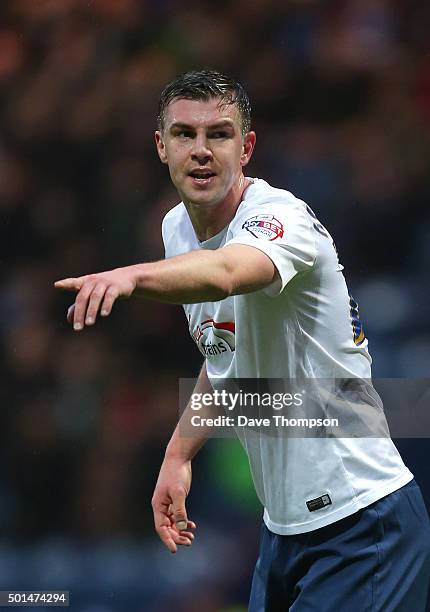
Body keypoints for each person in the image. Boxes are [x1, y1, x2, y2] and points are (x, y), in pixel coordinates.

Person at [55, 69, 430, 611]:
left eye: (220, 134)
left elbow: (230, 271)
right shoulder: (176, 230)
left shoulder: (282, 219)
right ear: (161, 146)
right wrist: (178, 454)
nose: (201, 151)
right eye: (185, 134)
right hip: (283, 532)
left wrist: (131, 277)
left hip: (362, 524)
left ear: (247, 146)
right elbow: (226, 356)